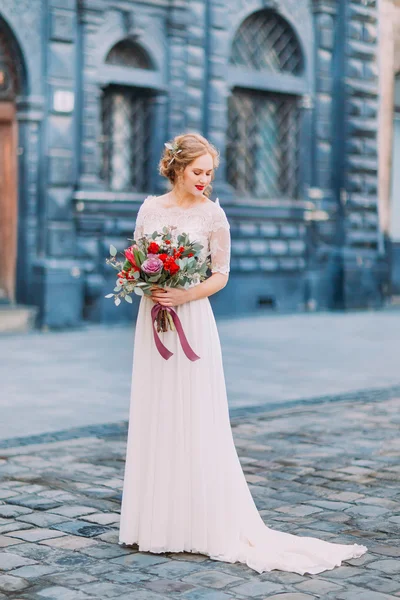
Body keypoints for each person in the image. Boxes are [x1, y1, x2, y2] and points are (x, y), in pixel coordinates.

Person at [118, 132, 368, 575]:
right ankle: (154, 523)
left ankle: (198, 521)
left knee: (193, 414)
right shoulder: (149, 208)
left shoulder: (214, 215)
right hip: (153, 316)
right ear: (177, 168)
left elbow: (221, 274)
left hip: (191, 317)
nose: (205, 180)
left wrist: (185, 294)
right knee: (156, 410)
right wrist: (146, 283)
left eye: (210, 173)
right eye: (198, 171)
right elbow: (138, 257)